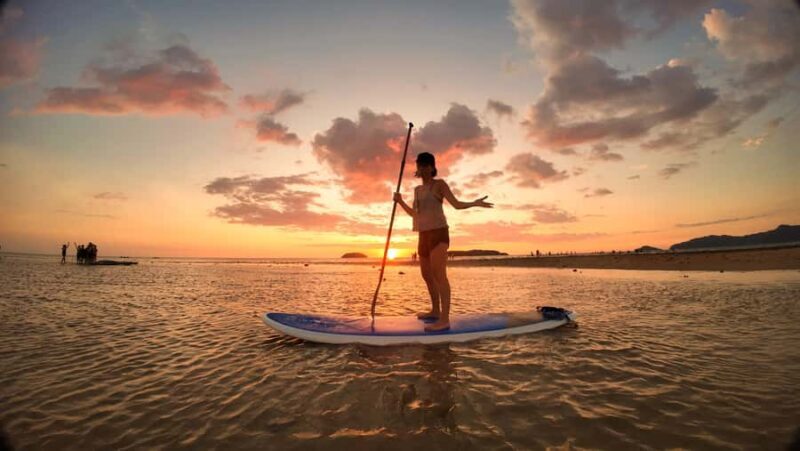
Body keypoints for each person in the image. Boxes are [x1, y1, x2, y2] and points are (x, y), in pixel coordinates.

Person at [394, 152, 493, 332]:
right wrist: (400, 202)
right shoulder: (417, 190)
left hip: (439, 233)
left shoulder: (439, 185)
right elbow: (415, 215)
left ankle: (444, 319)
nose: (422, 168)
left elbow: (456, 204)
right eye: (420, 165)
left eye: (426, 165)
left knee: (440, 276)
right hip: (423, 235)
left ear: (432, 167)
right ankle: (434, 310)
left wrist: (474, 203)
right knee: (426, 275)